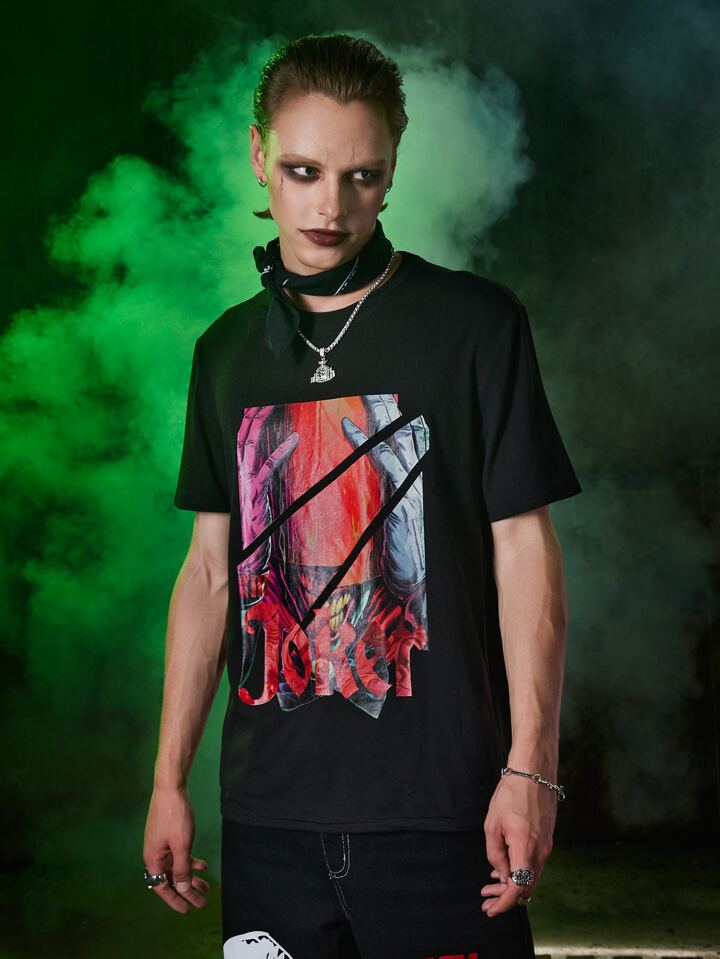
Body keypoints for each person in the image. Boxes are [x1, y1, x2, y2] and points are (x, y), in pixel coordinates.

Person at [143, 32, 582, 959]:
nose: (330, 206)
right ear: (258, 155)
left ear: (392, 170)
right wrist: (168, 780)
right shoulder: (224, 352)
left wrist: (531, 768)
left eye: (362, 176)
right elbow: (210, 574)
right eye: (302, 171)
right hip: (267, 822)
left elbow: (524, 551)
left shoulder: (476, 325)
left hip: (442, 813)